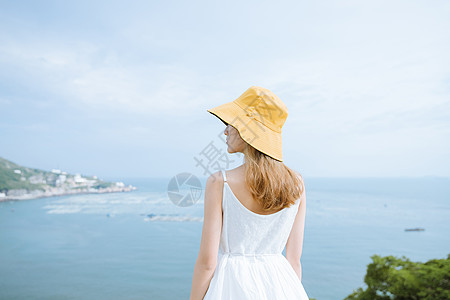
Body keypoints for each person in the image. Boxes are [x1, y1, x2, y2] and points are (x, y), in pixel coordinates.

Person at [189, 86, 309, 300]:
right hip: (282, 285)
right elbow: (294, 259)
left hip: (231, 285)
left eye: (230, 123)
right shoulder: (297, 183)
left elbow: (207, 263)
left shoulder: (220, 182)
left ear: (248, 130)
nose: (225, 131)